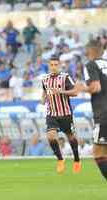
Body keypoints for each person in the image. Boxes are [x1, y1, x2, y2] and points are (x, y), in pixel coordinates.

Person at [41, 55, 82, 174]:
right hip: (51, 113)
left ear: (59, 65)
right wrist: (43, 99)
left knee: (71, 137)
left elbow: (75, 92)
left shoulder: (65, 77)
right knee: (50, 136)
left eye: (56, 65)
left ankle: (77, 160)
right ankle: (60, 159)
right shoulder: (45, 79)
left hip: (65, 114)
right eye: (51, 65)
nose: (53, 67)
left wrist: (60, 91)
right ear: (49, 66)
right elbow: (44, 91)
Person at [81, 39, 107, 180]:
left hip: (104, 114)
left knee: (98, 153)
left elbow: (96, 87)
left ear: (90, 51)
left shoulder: (91, 65)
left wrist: (82, 88)